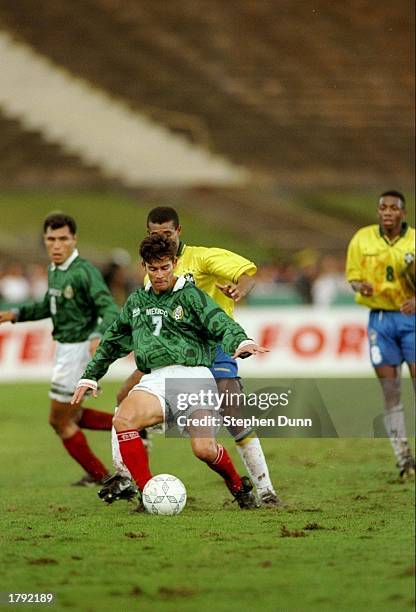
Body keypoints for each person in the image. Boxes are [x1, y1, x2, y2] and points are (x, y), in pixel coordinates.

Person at [72, 235, 269, 509]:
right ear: (144, 267)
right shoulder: (137, 302)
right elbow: (112, 341)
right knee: (124, 419)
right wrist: (90, 376)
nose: (160, 274)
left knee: (203, 450)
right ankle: (148, 493)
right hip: (155, 379)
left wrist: (241, 341)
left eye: (165, 267)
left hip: (194, 379)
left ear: (174, 264)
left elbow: (220, 322)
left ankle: (238, 486)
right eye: (153, 269)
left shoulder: (191, 296)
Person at [0, 213, 119, 485]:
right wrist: (14, 315)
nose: (56, 245)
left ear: (74, 239)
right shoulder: (56, 269)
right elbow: (47, 307)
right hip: (65, 348)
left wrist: (99, 333)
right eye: (51, 239)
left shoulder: (83, 272)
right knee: (73, 415)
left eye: (63, 239)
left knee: (59, 421)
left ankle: (103, 476)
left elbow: (110, 308)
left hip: (77, 352)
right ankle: (129, 425)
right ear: (45, 240)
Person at [346, 190, 415, 479]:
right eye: (382, 208)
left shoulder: (414, 240)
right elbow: (352, 276)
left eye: (393, 208)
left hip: (411, 319)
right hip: (381, 320)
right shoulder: (362, 239)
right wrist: (360, 286)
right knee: (391, 391)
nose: (387, 212)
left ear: (403, 213)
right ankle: (404, 459)